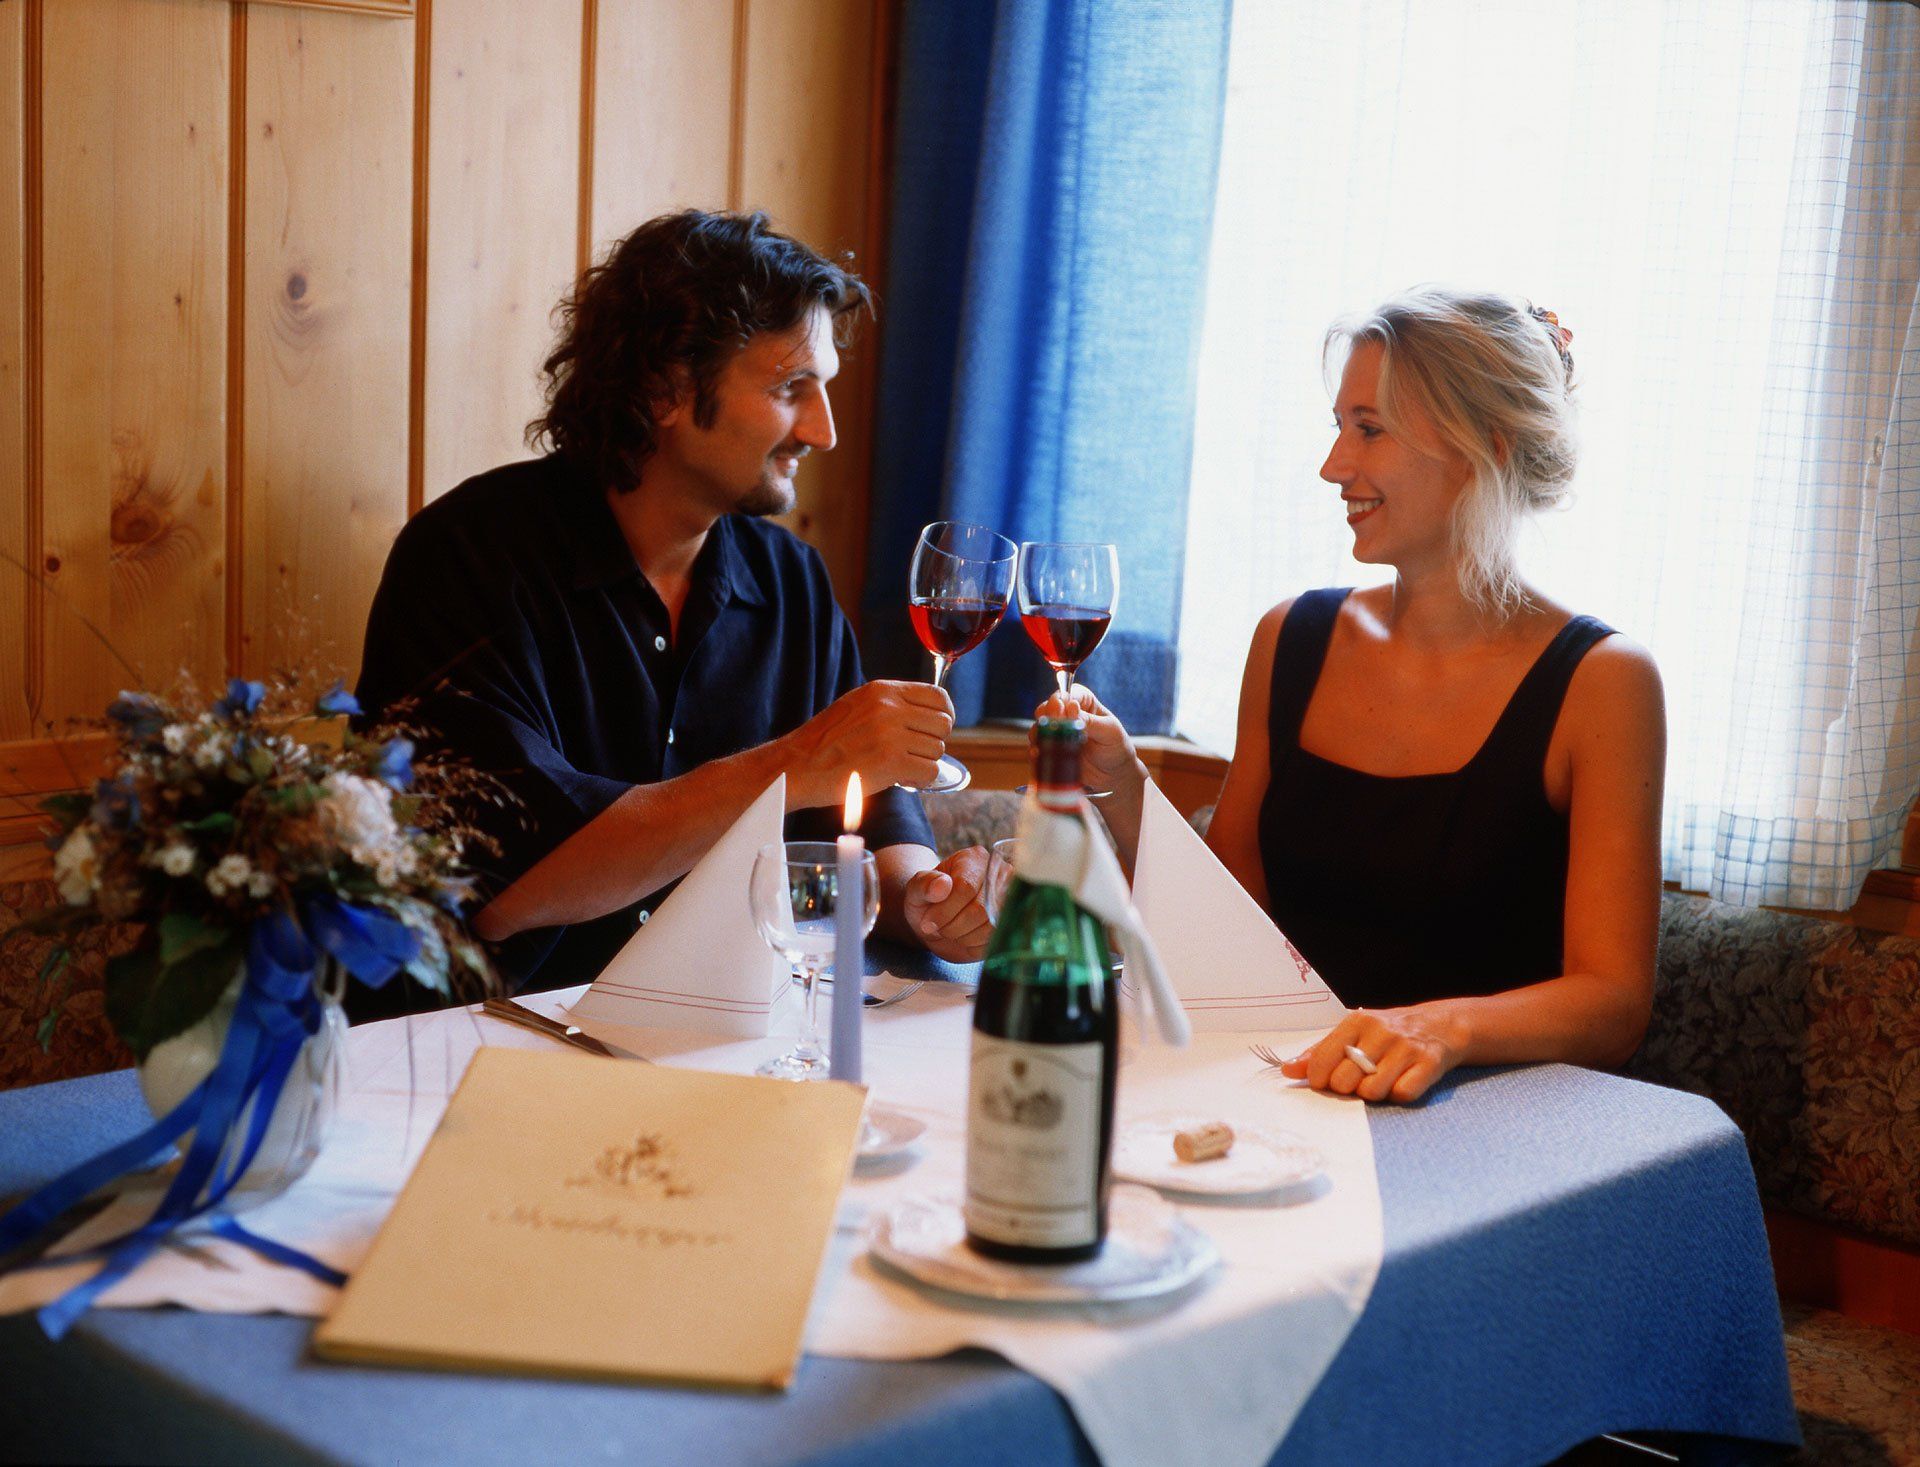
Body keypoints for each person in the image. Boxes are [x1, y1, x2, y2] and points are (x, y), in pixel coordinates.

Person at [353, 210, 992, 1016]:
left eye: (825, 387)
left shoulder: (791, 579)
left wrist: (923, 899)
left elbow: (863, 822)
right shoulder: (467, 559)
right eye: (790, 388)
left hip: (732, 1030)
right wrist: (796, 761)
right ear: (666, 389)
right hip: (497, 1035)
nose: (824, 431)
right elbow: (510, 890)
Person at [1049, 287, 1665, 1103]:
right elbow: (1232, 929)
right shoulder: (1290, 637)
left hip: (1485, 1119)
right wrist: (1125, 790)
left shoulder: (1605, 681)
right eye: (1338, 426)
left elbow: (1615, 1004)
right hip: (1283, 1093)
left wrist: (1439, 1029)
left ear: (1485, 447)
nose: (1334, 465)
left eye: (1369, 429)